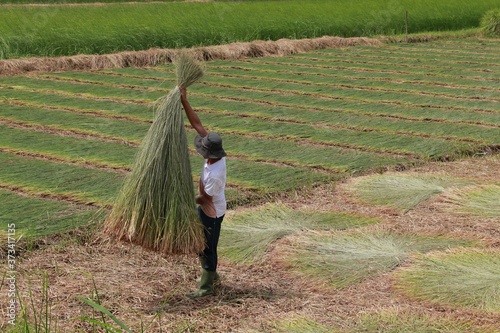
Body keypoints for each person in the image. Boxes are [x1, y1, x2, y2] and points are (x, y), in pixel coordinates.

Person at [179, 86, 227, 298]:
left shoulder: (215, 174)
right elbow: (197, 124)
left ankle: (206, 288)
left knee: (208, 248)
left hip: (212, 212)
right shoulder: (214, 155)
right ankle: (211, 276)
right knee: (201, 243)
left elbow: (204, 199)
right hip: (205, 208)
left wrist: (182, 199)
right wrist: (184, 101)